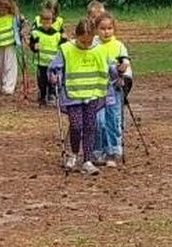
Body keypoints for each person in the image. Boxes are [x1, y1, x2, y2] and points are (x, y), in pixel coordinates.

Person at [49, 19, 117, 176]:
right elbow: (55, 67)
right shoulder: (66, 49)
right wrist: (54, 76)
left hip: (93, 93)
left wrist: (119, 71)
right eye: (82, 41)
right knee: (76, 125)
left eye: (89, 41)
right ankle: (73, 154)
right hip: (73, 94)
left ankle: (87, 160)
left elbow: (111, 66)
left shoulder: (100, 49)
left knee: (90, 126)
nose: (86, 45)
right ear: (76, 36)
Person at [92, 12, 131, 166]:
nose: (106, 32)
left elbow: (125, 62)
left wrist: (123, 69)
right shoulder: (93, 45)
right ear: (96, 29)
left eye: (109, 28)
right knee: (98, 121)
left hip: (114, 89)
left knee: (113, 120)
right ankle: (97, 151)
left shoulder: (119, 45)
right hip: (96, 88)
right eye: (102, 29)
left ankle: (112, 152)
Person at [29, 2, 66, 106]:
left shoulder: (56, 34)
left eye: (48, 21)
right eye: (44, 22)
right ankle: (42, 95)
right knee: (42, 80)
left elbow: (62, 45)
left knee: (52, 80)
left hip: (52, 62)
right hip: (41, 62)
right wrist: (34, 47)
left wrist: (64, 39)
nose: (46, 24)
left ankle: (51, 94)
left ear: (52, 21)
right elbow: (32, 44)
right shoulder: (36, 33)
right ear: (41, 21)